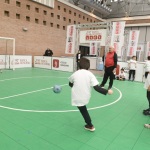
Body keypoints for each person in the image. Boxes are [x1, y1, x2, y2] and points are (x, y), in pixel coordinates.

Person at [68, 57, 113, 132]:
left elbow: (70, 83)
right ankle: (89, 125)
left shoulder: (75, 74)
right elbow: (96, 88)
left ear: (79, 65)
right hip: (86, 96)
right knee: (83, 109)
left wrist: (75, 86)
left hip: (77, 97)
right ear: (88, 66)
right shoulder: (90, 74)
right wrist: (107, 91)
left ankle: (90, 125)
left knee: (83, 110)